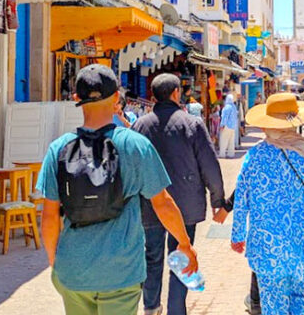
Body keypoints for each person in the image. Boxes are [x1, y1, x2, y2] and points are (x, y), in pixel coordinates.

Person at [38, 65, 198, 315]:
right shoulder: (134, 145)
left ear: (76, 99)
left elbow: (49, 216)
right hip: (121, 272)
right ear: (116, 99)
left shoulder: (58, 149)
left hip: (73, 271)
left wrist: (55, 262)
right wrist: (185, 243)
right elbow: (162, 203)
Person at [231, 93, 304, 315]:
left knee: (273, 309)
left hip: (267, 249)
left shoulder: (253, 157)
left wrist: (237, 235)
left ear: (267, 126)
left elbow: (241, 199)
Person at [131, 73, 225, 315]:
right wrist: (218, 200)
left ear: (153, 96)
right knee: (181, 254)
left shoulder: (140, 125)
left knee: (151, 256)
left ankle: (151, 307)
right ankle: (176, 310)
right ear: (175, 94)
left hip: (149, 203)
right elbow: (209, 164)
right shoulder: (192, 124)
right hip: (184, 204)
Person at [214, 192, 262, 315]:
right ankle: (256, 302)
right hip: (295, 224)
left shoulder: (254, 171)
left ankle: (256, 303)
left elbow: (243, 188)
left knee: (261, 257)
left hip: (264, 225)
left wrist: (237, 235)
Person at [219, 94, 240, 159]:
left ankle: (222, 154)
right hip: (233, 126)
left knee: (224, 140)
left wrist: (222, 125)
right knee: (231, 141)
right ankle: (231, 154)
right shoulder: (234, 106)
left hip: (227, 126)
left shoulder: (227, 107)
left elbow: (225, 117)